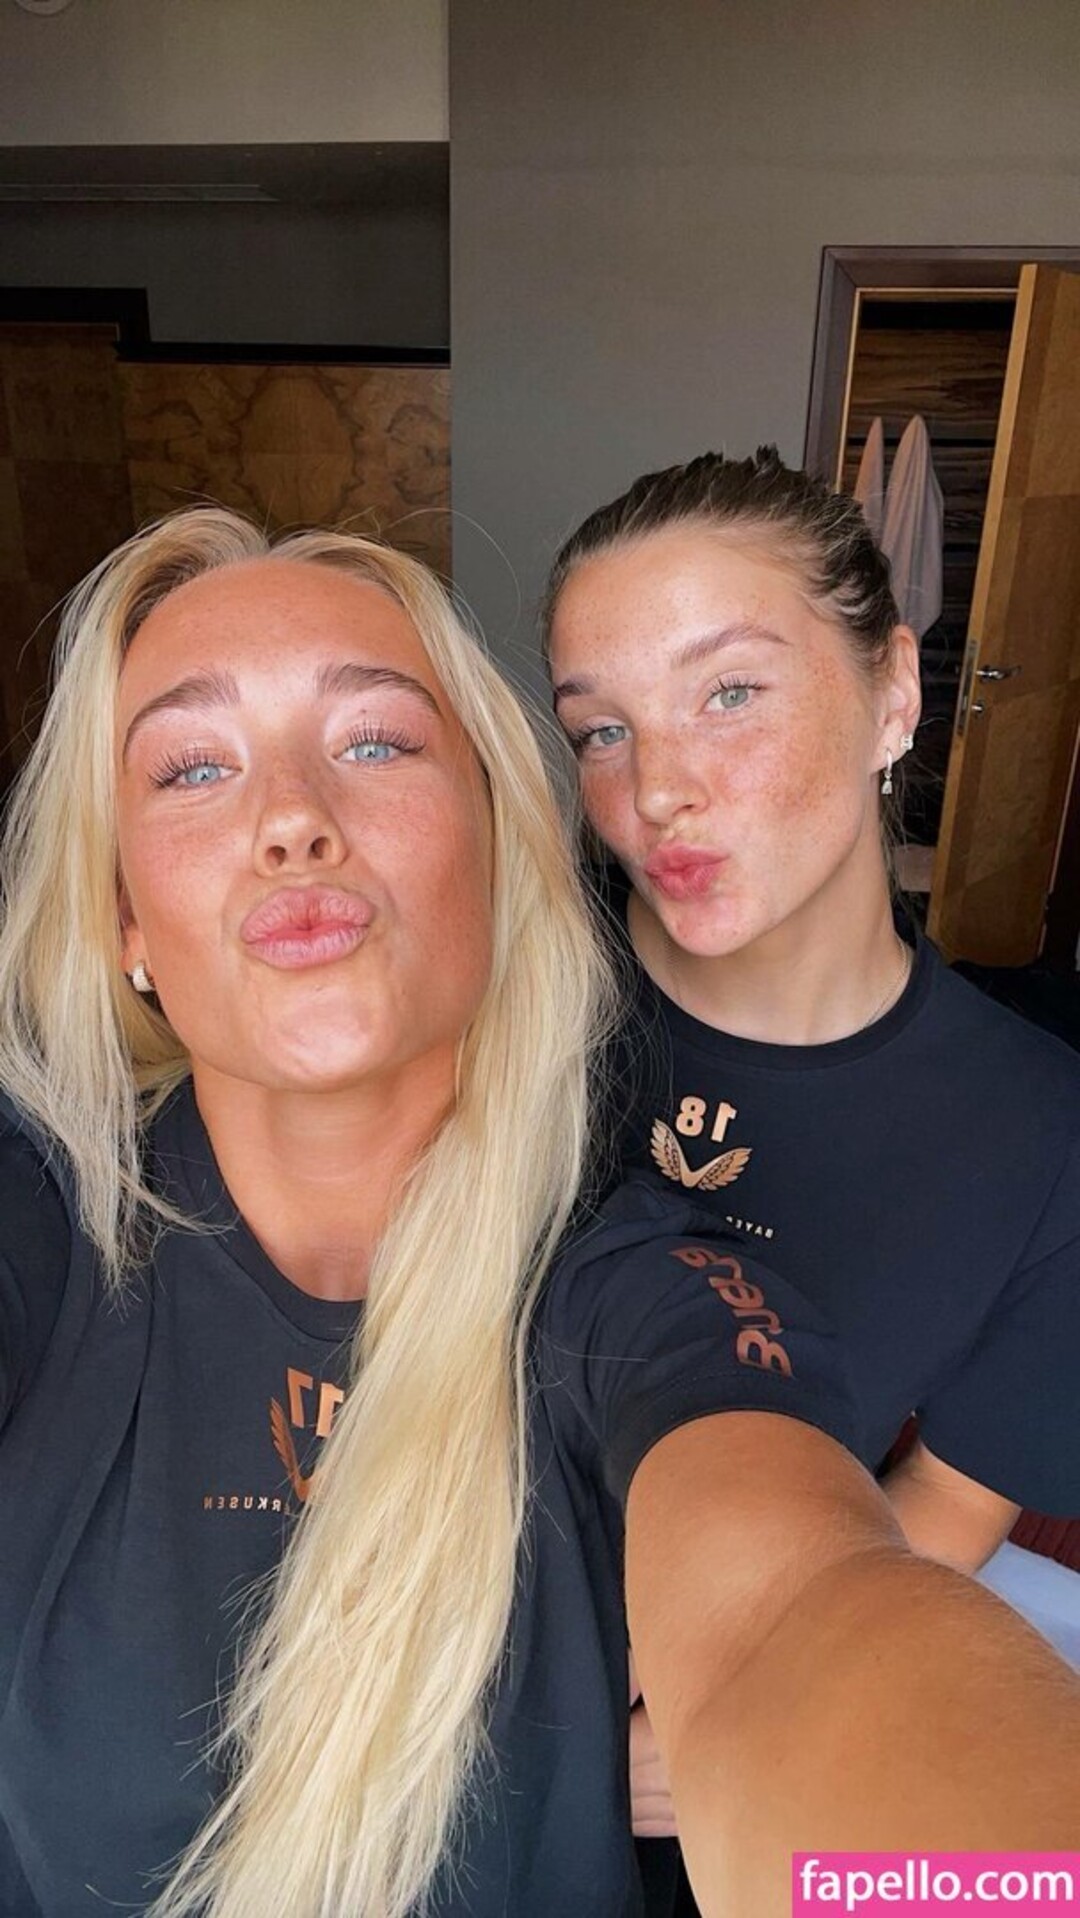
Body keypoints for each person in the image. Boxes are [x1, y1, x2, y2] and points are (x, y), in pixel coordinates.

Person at [0, 509, 1077, 1918]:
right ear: (121, 916)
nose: (289, 817)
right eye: (192, 767)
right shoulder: (43, 1209)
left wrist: (745, 1749)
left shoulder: (648, 1277)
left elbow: (804, 1599)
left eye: (376, 740)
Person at [542, 446, 1080, 1897]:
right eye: (601, 730)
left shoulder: (1041, 1135)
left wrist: (718, 1697)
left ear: (893, 691)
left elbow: (950, 1502)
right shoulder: (511, 1001)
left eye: (729, 692)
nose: (658, 789)